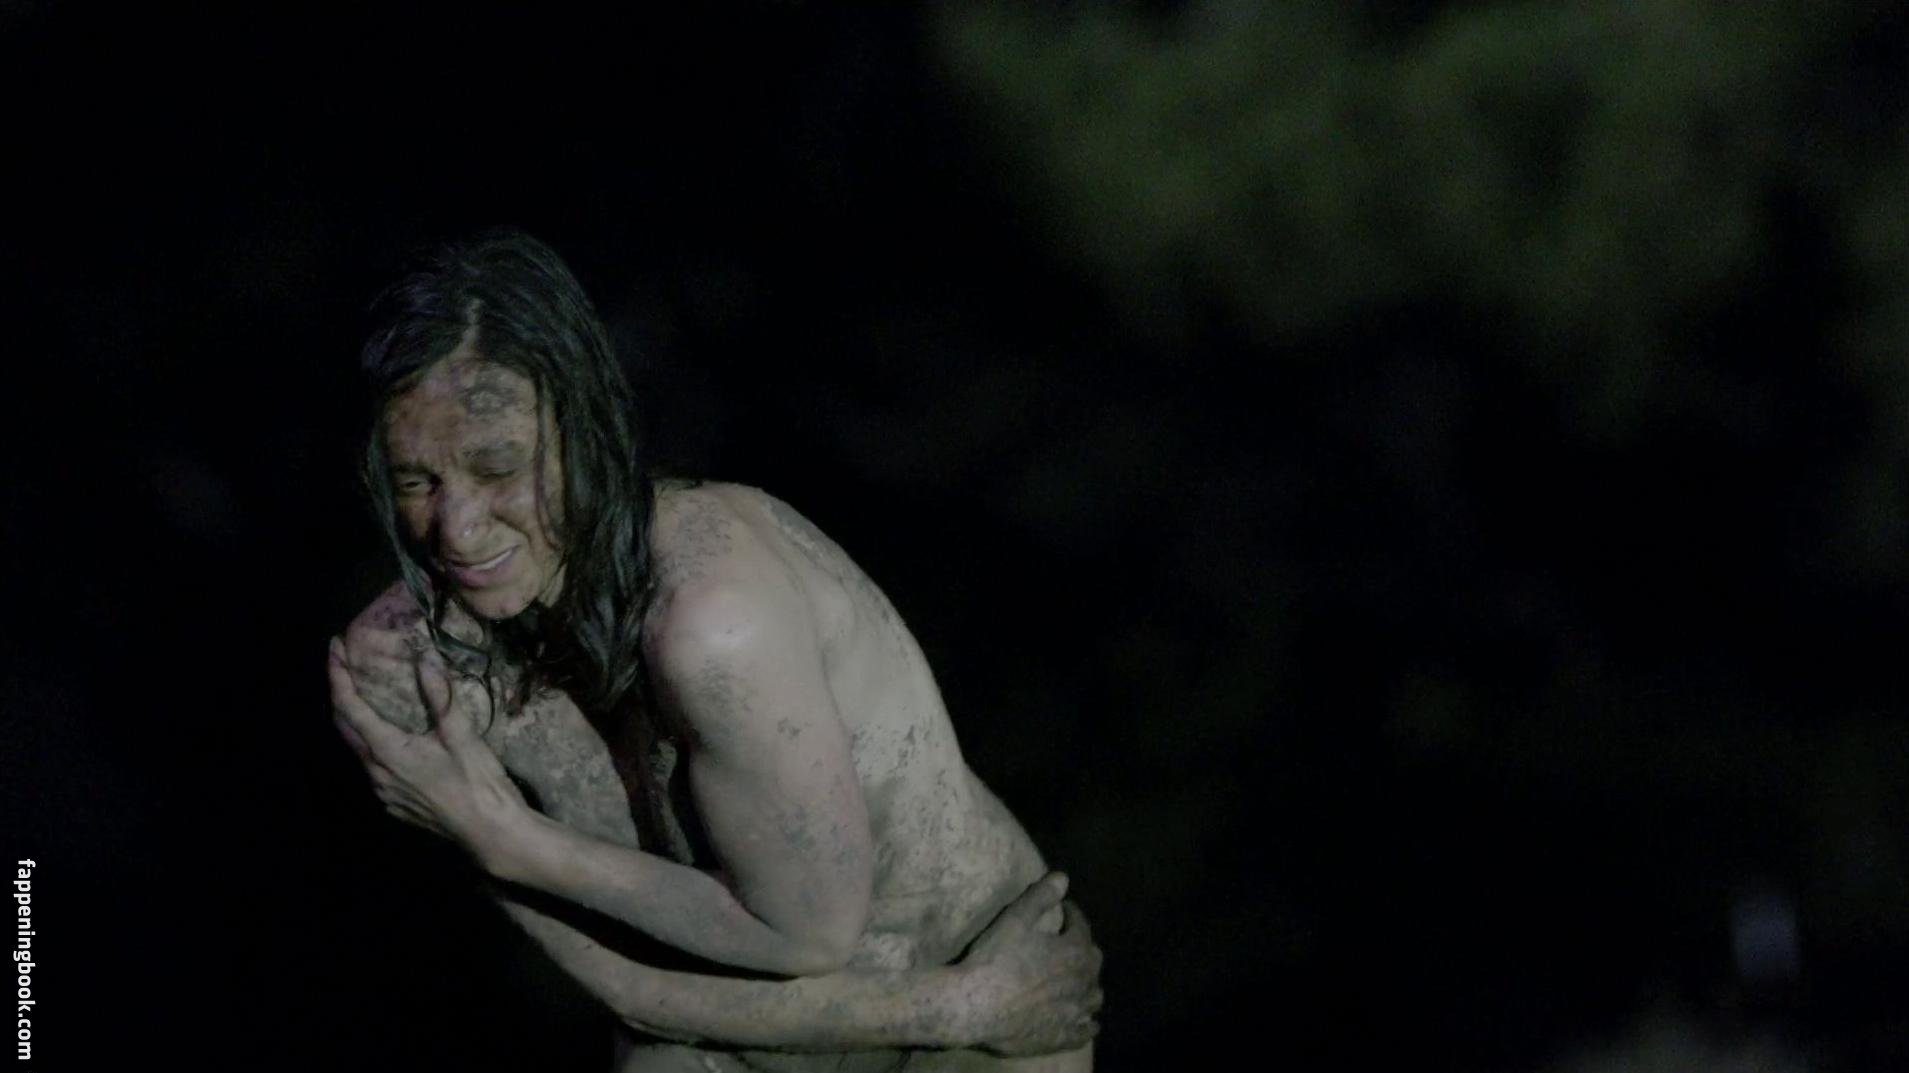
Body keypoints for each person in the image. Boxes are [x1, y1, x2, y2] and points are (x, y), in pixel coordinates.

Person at [326, 230, 1101, 1072]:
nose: (458, 528)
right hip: (752, 1035)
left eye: (499, 469)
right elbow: (624, 987)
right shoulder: (407, 672)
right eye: (417, 481)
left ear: (586, 429)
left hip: (979, 1002)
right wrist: (500, 839)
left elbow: (807, 933)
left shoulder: (714, 622)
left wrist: (508, 838)